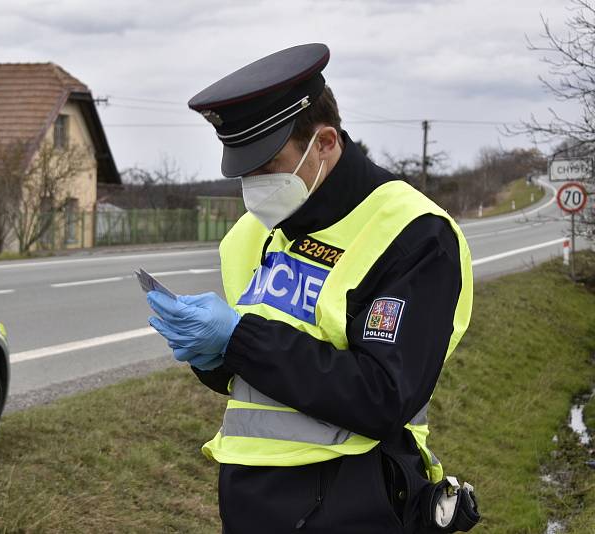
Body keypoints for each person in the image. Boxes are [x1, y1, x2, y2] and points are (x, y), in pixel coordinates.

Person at [146, 43, 478, 533]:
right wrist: (210, 357)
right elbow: (259, 381)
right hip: (252, 503)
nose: (253, 186)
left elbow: (383, 396)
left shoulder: (415, 236)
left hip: (355, 502)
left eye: (266, 167)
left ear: (324, 143)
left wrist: (238, 340)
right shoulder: (254, 232)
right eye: (244, 172)